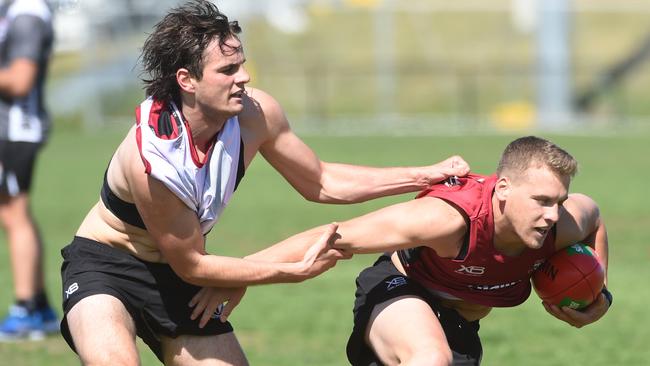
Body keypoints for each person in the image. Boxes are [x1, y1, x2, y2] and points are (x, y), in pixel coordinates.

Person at [59, 1, 469, 365]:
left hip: (179, 278)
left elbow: (321, 182)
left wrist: (421, 175)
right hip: (105, 266)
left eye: (241, 64)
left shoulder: (256, 114)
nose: (244, 76)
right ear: (187, 80)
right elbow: (194, 264)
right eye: (228, 70)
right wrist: (286, 271)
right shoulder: (154, 158)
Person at [255, 136, 611, 365]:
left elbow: (593, 216)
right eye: (542, 201)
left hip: (460, 326)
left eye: (559, 202)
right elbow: (334, 236)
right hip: (400, 290)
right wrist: (235, 273)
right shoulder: (448, 220)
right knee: (430, 358)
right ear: (502, 188)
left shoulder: (560, 224)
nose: (552, 214)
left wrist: (599, 293)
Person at [0, 0, 58, 341]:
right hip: (10, 130)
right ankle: (39, 305)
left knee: (14, 214)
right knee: (12, 213)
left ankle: (25, 310)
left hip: (16, 129)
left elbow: (21, 79)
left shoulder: (28, 12)